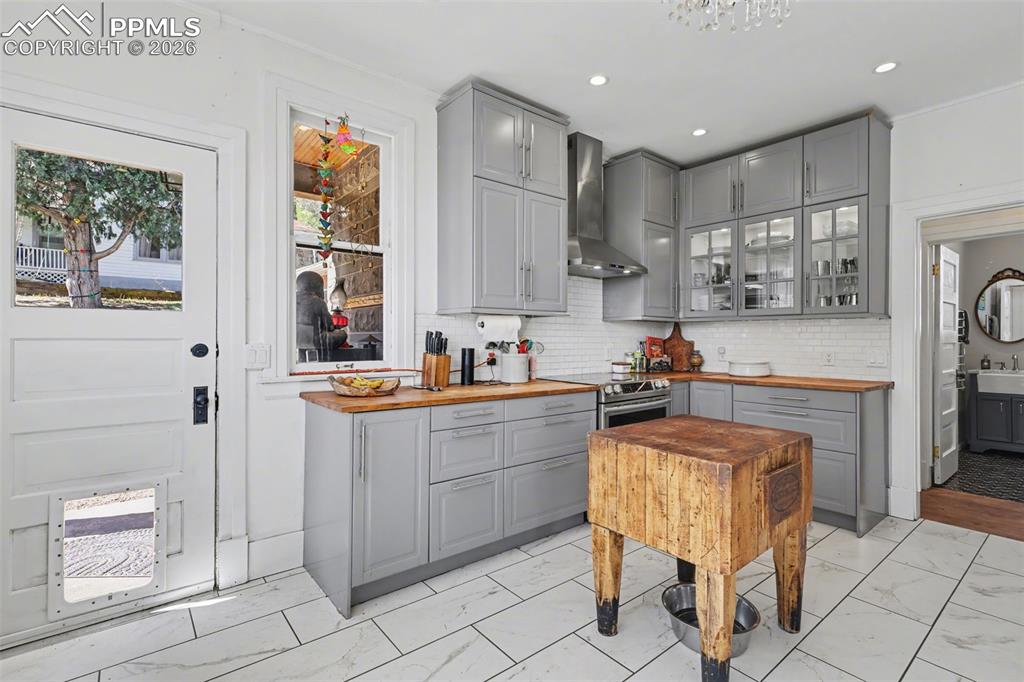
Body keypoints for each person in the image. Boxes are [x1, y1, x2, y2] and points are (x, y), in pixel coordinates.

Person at [296, 271, 347, 361]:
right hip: (316, 341)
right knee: (342, 334)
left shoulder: (291, 300)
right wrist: (337, 328)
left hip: (296, 341)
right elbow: (329, 326)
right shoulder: (317, 302)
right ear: (317, 287)